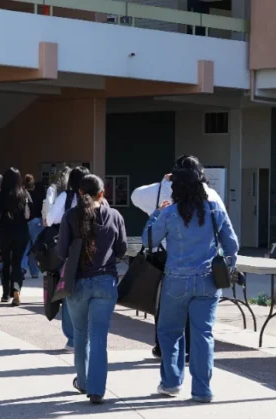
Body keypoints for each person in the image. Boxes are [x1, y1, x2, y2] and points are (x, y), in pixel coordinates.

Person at [143, 168, 238, 402]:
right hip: (208, 280)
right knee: (203, 334)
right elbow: (232, 245)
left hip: (176, 279)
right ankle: (202, 390)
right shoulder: (214, 210)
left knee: (169, 332)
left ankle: (171, 383)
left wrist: (156, 213)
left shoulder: (170, 213)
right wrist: (229, 266)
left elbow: (149, 240)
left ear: (177, 190)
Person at [133, 156, 223, 359]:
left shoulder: (166, 195)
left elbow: (135, 196)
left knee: (166, 312)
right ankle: (193, 353)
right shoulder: (212, 197)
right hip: (205, 261)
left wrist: (162, 185)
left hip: (170, 260)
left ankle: (165, 352)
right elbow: (225, 230)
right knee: (199, 316)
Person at [56, 174, 127, 404]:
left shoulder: (70, 216)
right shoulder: (114, 216)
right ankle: (96, 389)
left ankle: (83, 382)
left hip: (77, 282)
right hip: (105, 281)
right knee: (99, 336)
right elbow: (122, 249)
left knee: (80, 334)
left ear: (78, 193)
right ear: (102, 194)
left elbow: (61, 252)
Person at [48, 166, 90, 348]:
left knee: (67, 291)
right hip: (91, 249)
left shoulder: (66, 197)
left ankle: (72, 338)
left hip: (70, 250)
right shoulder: (97, 199)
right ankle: (86, 336)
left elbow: (50, 219)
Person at [0, 168, 33, 306]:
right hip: (21, 232)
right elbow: (30, 213)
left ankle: (5, 293)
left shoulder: (0, 194)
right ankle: (16, 291)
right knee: (17, 262)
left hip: (4, 232)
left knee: (6, 262)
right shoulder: (24, 193)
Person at [23, 173, 44, 278]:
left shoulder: (23, 194)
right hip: (38, 222)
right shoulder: (40, 194)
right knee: (35, 248)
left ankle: (22, 268)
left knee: (25, 246)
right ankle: (34, 272)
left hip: (26, 222)